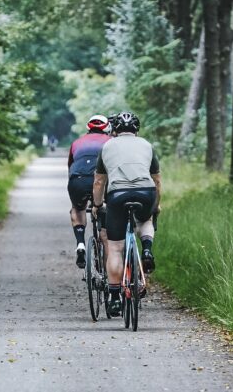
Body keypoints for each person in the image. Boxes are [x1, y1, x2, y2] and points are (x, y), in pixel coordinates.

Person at [92, 111, 161, 317]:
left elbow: (98, 182)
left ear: (115, 130)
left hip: (117, 194)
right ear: (136, 130)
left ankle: (114, 298)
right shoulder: (147, 145)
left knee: (114, 247)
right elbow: (157, 180)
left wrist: (97, 204)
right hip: (146, 192)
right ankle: (147, 249)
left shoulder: (107, 147)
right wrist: (156, 204)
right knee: (146, 219)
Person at [67, 115, 111, 268]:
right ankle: (109, 276)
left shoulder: (76, 142)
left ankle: (80, 243)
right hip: (99, 180)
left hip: (77, 180)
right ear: (107, 128)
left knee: (77, 209)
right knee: (104, 213)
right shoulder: (110, 142)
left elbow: (70, 166)